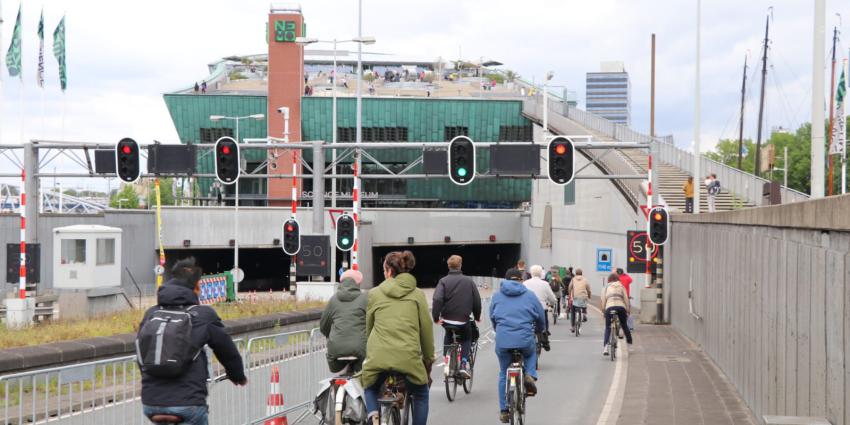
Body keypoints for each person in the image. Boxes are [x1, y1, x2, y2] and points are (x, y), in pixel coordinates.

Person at [140, 258, 246, 425]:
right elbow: (226, 350)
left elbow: (142, 352)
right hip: (188, 402)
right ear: (196, 287)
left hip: (151, 403)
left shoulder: (151, 314)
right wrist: (237, 375)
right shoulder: (203, 315)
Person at [362, 251, 434, 425]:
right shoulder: (417, 295)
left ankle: (374, 417)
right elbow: (426, 329)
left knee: (370, 387)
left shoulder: (374, 293)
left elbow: (369, 328)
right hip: (408, 358)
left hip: (378, 357)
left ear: (388, 271)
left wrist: (369, 354)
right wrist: (428, 357)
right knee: (421, 393)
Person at [491, 268, 546, 423]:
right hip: (524, 339)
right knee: (530, 353)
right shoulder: (529, 295)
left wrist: (498, 328)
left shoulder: (497, 296)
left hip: (503, 340)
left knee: (503, 372)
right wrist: (540, 329)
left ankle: (504, 411)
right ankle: (530, 375)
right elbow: (540, 315)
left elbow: (492, 316)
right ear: (521, 280)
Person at [432, 255, 482, 379]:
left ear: (448, 266)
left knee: (448, 334)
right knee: (466, 338)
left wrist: (436, 317)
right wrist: (477, 316)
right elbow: (477, 301)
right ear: (460, 265)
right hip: (463, 319)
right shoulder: (469, 281)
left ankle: (447, 360)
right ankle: (463, 365)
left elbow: (437, 299)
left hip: (447, 319)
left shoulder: (443, 281)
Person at [320, 269, 367, 373]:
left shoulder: (333, 300)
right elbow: (371, 324)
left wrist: (332, 336)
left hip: (335, 350)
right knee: (368, 379)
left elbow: (323, 326)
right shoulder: (365, 299)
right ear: (358, 284)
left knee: (338, 372)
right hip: (361, 350)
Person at [522, 265, 557, 351]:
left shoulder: (525, 283)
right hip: (541, 308)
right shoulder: (545, 284)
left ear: (531, 273)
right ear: (541, 273)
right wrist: (551, 303)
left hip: (528, 309)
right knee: (544, 323)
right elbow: (552, 298)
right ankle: (545, 339)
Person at [601, 273, 633, 356]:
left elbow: (603, 299)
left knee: (608, 327)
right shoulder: (621, 286)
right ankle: (629, 345)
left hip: (609, 307)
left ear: (609, 279)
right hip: (620, 307)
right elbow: (626, 298)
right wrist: (628, 310)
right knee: (624, 325)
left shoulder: (606, 287)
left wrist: (603, 310)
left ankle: (605, 348)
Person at [568, 268, 591, 333]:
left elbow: (569, 288)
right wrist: (589, 296)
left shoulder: (573, 279)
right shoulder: (585, 280)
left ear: (575, 273)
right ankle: (584, 314)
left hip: (575, 297)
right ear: (582, 273)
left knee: (573, 310)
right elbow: (588, 289)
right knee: (584, 302)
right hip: (583, 297)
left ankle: (573, 326)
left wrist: (570, 294)